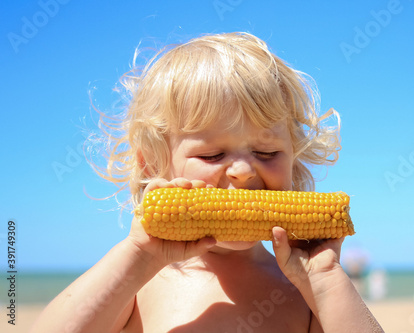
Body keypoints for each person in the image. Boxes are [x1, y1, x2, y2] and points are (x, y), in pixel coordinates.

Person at [32, 32, 383, 332]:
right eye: (213, 155)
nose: (243, 171)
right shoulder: (141, 284)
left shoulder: (306, 290)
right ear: (153, 166)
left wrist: (326, 280)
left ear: (295, 158)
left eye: (266, 152)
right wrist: (137, 257)